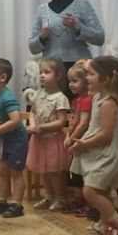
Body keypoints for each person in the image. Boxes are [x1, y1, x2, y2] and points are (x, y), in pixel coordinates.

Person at [69, 56, 118, 235]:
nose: (87, 77)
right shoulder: (97, 98)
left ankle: (116, 222)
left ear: (106, 78)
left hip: (107, 153)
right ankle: (104, 232)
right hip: (98, 151)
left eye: (91, 74)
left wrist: (84, 144)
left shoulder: (108, 102)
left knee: (90, 190)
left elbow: (106, 134)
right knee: (101, 191)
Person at [28, 0, 105, 87]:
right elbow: (32, 47)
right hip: (51, 72)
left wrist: (78, 27)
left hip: (79, 70)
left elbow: (100, 38)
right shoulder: (42, 10)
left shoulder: (82, 4)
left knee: (80, 101)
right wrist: (42, 37)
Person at [0, 58, 29, 218]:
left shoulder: (7, 97)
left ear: (2, 77)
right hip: (3, 139)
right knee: (2, 170)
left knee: (16, 171)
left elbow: (16, 120)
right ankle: (1, 200)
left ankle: (16, 203)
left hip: (16, 140)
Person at [27, 58, 71, 211]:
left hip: (53, 140)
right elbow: (32, 112)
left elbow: (61, 121)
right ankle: (49, 196)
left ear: (58, 76)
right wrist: (33, 125)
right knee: (43, 170)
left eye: (47, 72)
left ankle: (60, 198)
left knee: (54, 172)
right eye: (41, 72)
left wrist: (42, 127)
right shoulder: (39, 94)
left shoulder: (60, 98)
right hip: (39, 140)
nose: (42, 75)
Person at [63, 60, 93, 215]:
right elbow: (72, 121)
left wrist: (72, 137)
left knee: (82, 173)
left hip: (83, 142)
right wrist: (68, 135)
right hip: (75, 141)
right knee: (75, 172)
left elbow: (84, 123)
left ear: (86, 82)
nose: (71, 84)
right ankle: (78, 200)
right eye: (70, 81)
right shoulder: (75, 100)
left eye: (75, 81)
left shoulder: (87, 100)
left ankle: (87, 203)